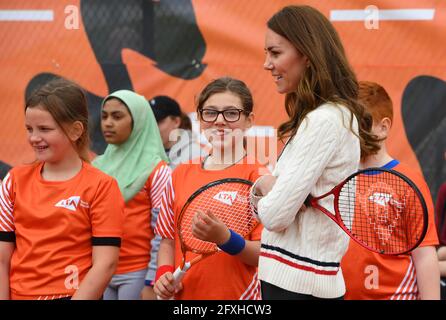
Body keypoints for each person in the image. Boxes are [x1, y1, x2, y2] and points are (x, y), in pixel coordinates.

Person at [250, 5, 381, 300]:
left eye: (275, 53)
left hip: (297, 287)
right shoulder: (328, 116)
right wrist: (273, 189)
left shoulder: (324, 119)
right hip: (297, 282)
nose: (266, 64)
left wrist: (262, 185)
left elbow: (275, 215)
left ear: (307, 55)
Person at [0, 78, 124, 300]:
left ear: (76, 130)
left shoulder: (101, 186)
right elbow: (2, 258)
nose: (34, 138)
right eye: (29, 129)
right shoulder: (14, 180)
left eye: (45, 129)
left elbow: (106, 263)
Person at [153, 77, 267, 300]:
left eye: (231, 113)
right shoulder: (179, 174)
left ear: (249, 120)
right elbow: (167, 241)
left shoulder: (261, 178)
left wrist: (226, 239)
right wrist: (164, 274)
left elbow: (267, 255)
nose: (220, 121)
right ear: (199, 118)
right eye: (211, 112)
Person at [340, 81, 440, 300]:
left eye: (362, 124)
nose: (353, 132)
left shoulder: (409, 181)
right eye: (348, 124)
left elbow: (424, 255)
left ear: (383, 127)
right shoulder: (335, 177)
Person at [93, 90, 171, 300]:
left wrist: (151, 279)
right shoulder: (96, 167)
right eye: (104, 116)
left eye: (117, 116)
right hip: (99, 270)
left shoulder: (157, 169)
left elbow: (162, 231)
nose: (108, 123)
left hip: (137, 272)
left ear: (138, 121)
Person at [149, 95, 206, 169]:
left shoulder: (196, 154)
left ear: (176, 121)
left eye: (158, 122)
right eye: (150, 122)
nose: (153, 128)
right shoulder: (149, 157)